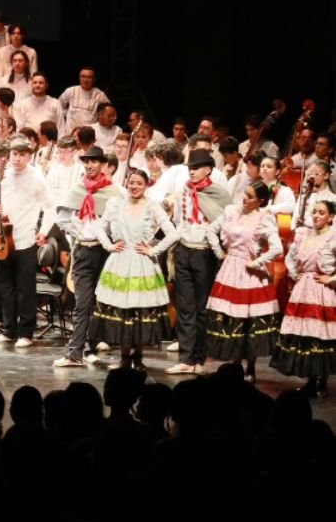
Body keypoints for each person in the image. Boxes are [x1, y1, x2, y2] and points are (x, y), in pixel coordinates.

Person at [90, 168, 177, 370]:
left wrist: (154, 250)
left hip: (141, 263)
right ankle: (123, 357)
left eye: (139, 183)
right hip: (119, 262)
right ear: (126, 184)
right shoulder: (115, 205)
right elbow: (98, 227)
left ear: (146, 185)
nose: (134, 186)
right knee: (121, 309)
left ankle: (138, 356)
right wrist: (109, 246)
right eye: (131, 182)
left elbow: (172, 233)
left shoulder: (152, 206)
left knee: (139, 310)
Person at [204, 181, 283, 382]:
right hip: (230, 268)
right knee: (232, 317)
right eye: (244, 194)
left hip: (250, 272)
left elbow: (277, 248)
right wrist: (219, 252)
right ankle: (235, 364)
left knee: (250, 319)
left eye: (249, 196)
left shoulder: (264, 218)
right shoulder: (232, 211)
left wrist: (257, 262)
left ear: (260, 201)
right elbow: (210, 231)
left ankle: (251, 367)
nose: (244, 199)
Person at [164, 149, 234, 375]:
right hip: (184, 249)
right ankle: (186, 357)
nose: (191, 172)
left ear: (208, 170)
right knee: (185, 306)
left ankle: (199, 359)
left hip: (205, 253)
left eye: (196, 168)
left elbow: (226, 223)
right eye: (189, 168)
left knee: (202, 307)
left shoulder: (218, 193)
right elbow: (179, 219)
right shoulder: (183, 190)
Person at [54, 145, 124, 367]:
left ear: (103, 165)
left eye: (94, 161)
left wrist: (110, 238)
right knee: (82, 302)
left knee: (102, 301)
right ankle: (75, 352)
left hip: (104, 251)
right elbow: (63, 218)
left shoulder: (114, 191)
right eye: (87, 161)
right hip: (83, 250)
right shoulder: (77, 190)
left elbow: (121, 220)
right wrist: (78, 234)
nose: (90, 165)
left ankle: (91, 347)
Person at [0, 138, 53, 348]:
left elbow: (50, 206)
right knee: (5, 287)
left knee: (25, 288)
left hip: (24, 238)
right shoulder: (0, 175)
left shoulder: (36, 178)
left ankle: (26, 332)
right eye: (14, 154)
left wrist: (43, 231)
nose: (17, 158)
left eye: (22, 155)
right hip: (2, 238)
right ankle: (8, 329)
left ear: (29, 156)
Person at [271, 198, 336, 396]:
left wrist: (331, 279)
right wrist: (294, 273)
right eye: (314, 211)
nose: (316, 215)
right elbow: (290, 258)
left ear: (331, 217)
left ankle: (322, 380)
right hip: (303, 290)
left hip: (322, 292)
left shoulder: (333, 237)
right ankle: (310, 379)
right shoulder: (303, 234)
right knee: (304, 336)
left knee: (320, 334)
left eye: (321, 212)